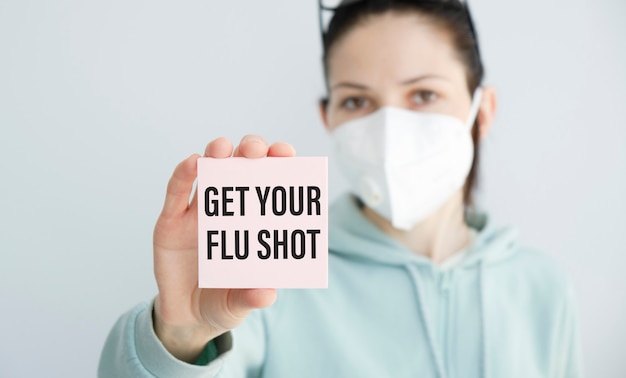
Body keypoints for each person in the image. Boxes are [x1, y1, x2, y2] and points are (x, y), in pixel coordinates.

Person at [99, 0, 583, 377]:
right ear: (328, 117)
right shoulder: (268, 275)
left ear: (483, 109)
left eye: (424, 94)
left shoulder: (542, 287)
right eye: (357, 100)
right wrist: (180, 338)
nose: (390, 126)